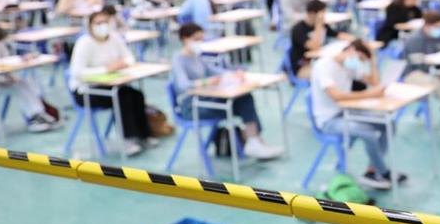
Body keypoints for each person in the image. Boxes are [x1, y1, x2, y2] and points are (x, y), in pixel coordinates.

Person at [171, 23, 282, 159]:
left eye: (201, 39)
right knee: (241, 104)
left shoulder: (197, 57)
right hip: (191, 106)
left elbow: (216, 71)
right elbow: (182, 85)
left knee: (244, 98)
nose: (199, 43)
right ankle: (254, 141)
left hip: (204, 99)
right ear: (185, 39)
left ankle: (255, 141)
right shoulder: (178, 60)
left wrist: (234, 74)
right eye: (196, 39)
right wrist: (205, 82)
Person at [310, 39, 407, 190]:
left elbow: (375, 82)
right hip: (328, 120)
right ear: (349, 50)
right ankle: (383, 171)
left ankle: (372, 171)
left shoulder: (349, 64)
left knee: (388, 125)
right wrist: (368, 94)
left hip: (347, 111)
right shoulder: (323, 66)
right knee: (367, 132)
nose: (359, 62)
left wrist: (371, 61)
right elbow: (337, 96)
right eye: (359, 58)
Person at [68, 10, 152, 155]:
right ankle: (129, 139)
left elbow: (129, 57)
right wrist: (105, 69)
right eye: (98, 23)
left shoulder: (114, 38)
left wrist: (123, 63)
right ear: (90, 26)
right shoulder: (84, 43)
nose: (103, 26)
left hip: (113, 84)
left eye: (105, 22)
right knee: (122, 98)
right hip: (86, 91)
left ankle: (143, 135)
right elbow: (77, 72)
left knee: (136, 95)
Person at [0, 25, 61, 133]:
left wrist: (19, 62)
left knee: (24, 83)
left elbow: (6, 60)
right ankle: (34, 117)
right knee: (17, 88)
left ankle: (40, 113)